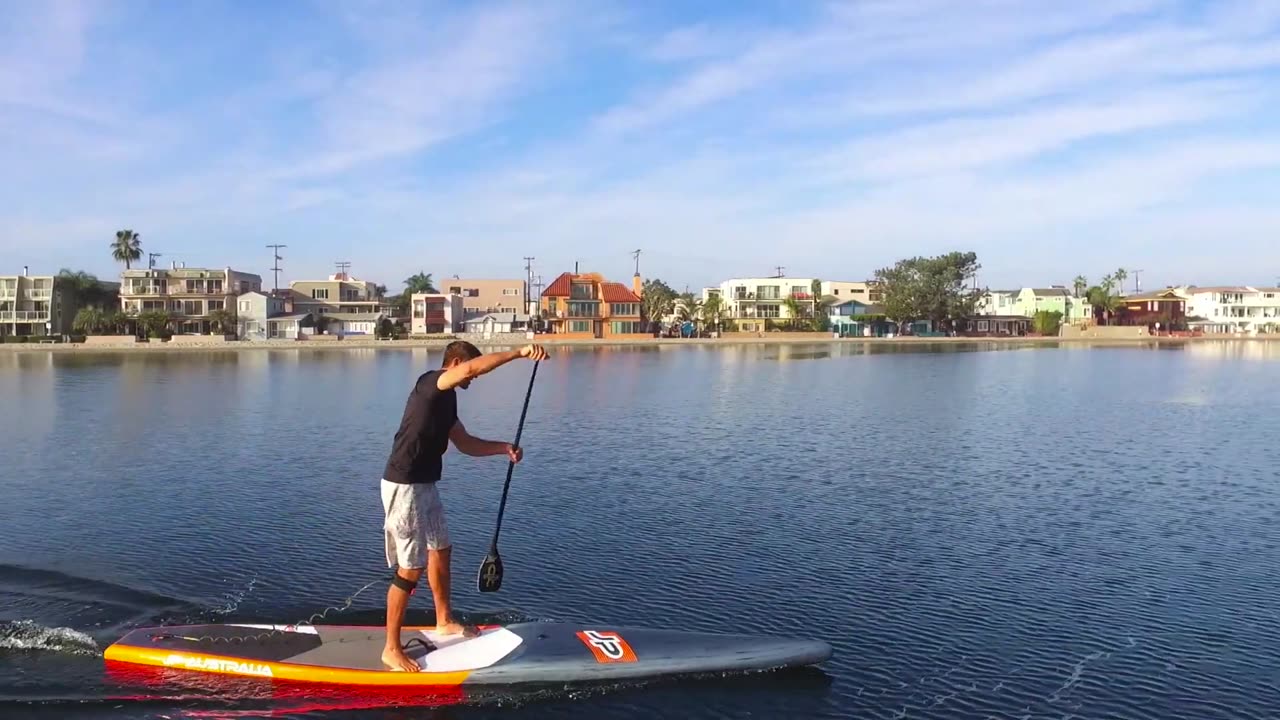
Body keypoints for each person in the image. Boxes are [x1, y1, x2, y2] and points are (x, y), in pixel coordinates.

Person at [379, 340, 549, 672]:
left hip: (425, 484)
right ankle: (391, 648)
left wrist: (504, 448)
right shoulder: (431, 383)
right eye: (469, 370)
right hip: (403, 485)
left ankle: (444, 620)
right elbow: (471, 369)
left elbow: (465, 443)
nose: (473, 380)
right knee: (409, 569)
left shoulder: (448, 401)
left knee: (441, 549)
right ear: (455, 363)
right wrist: (518, 353)